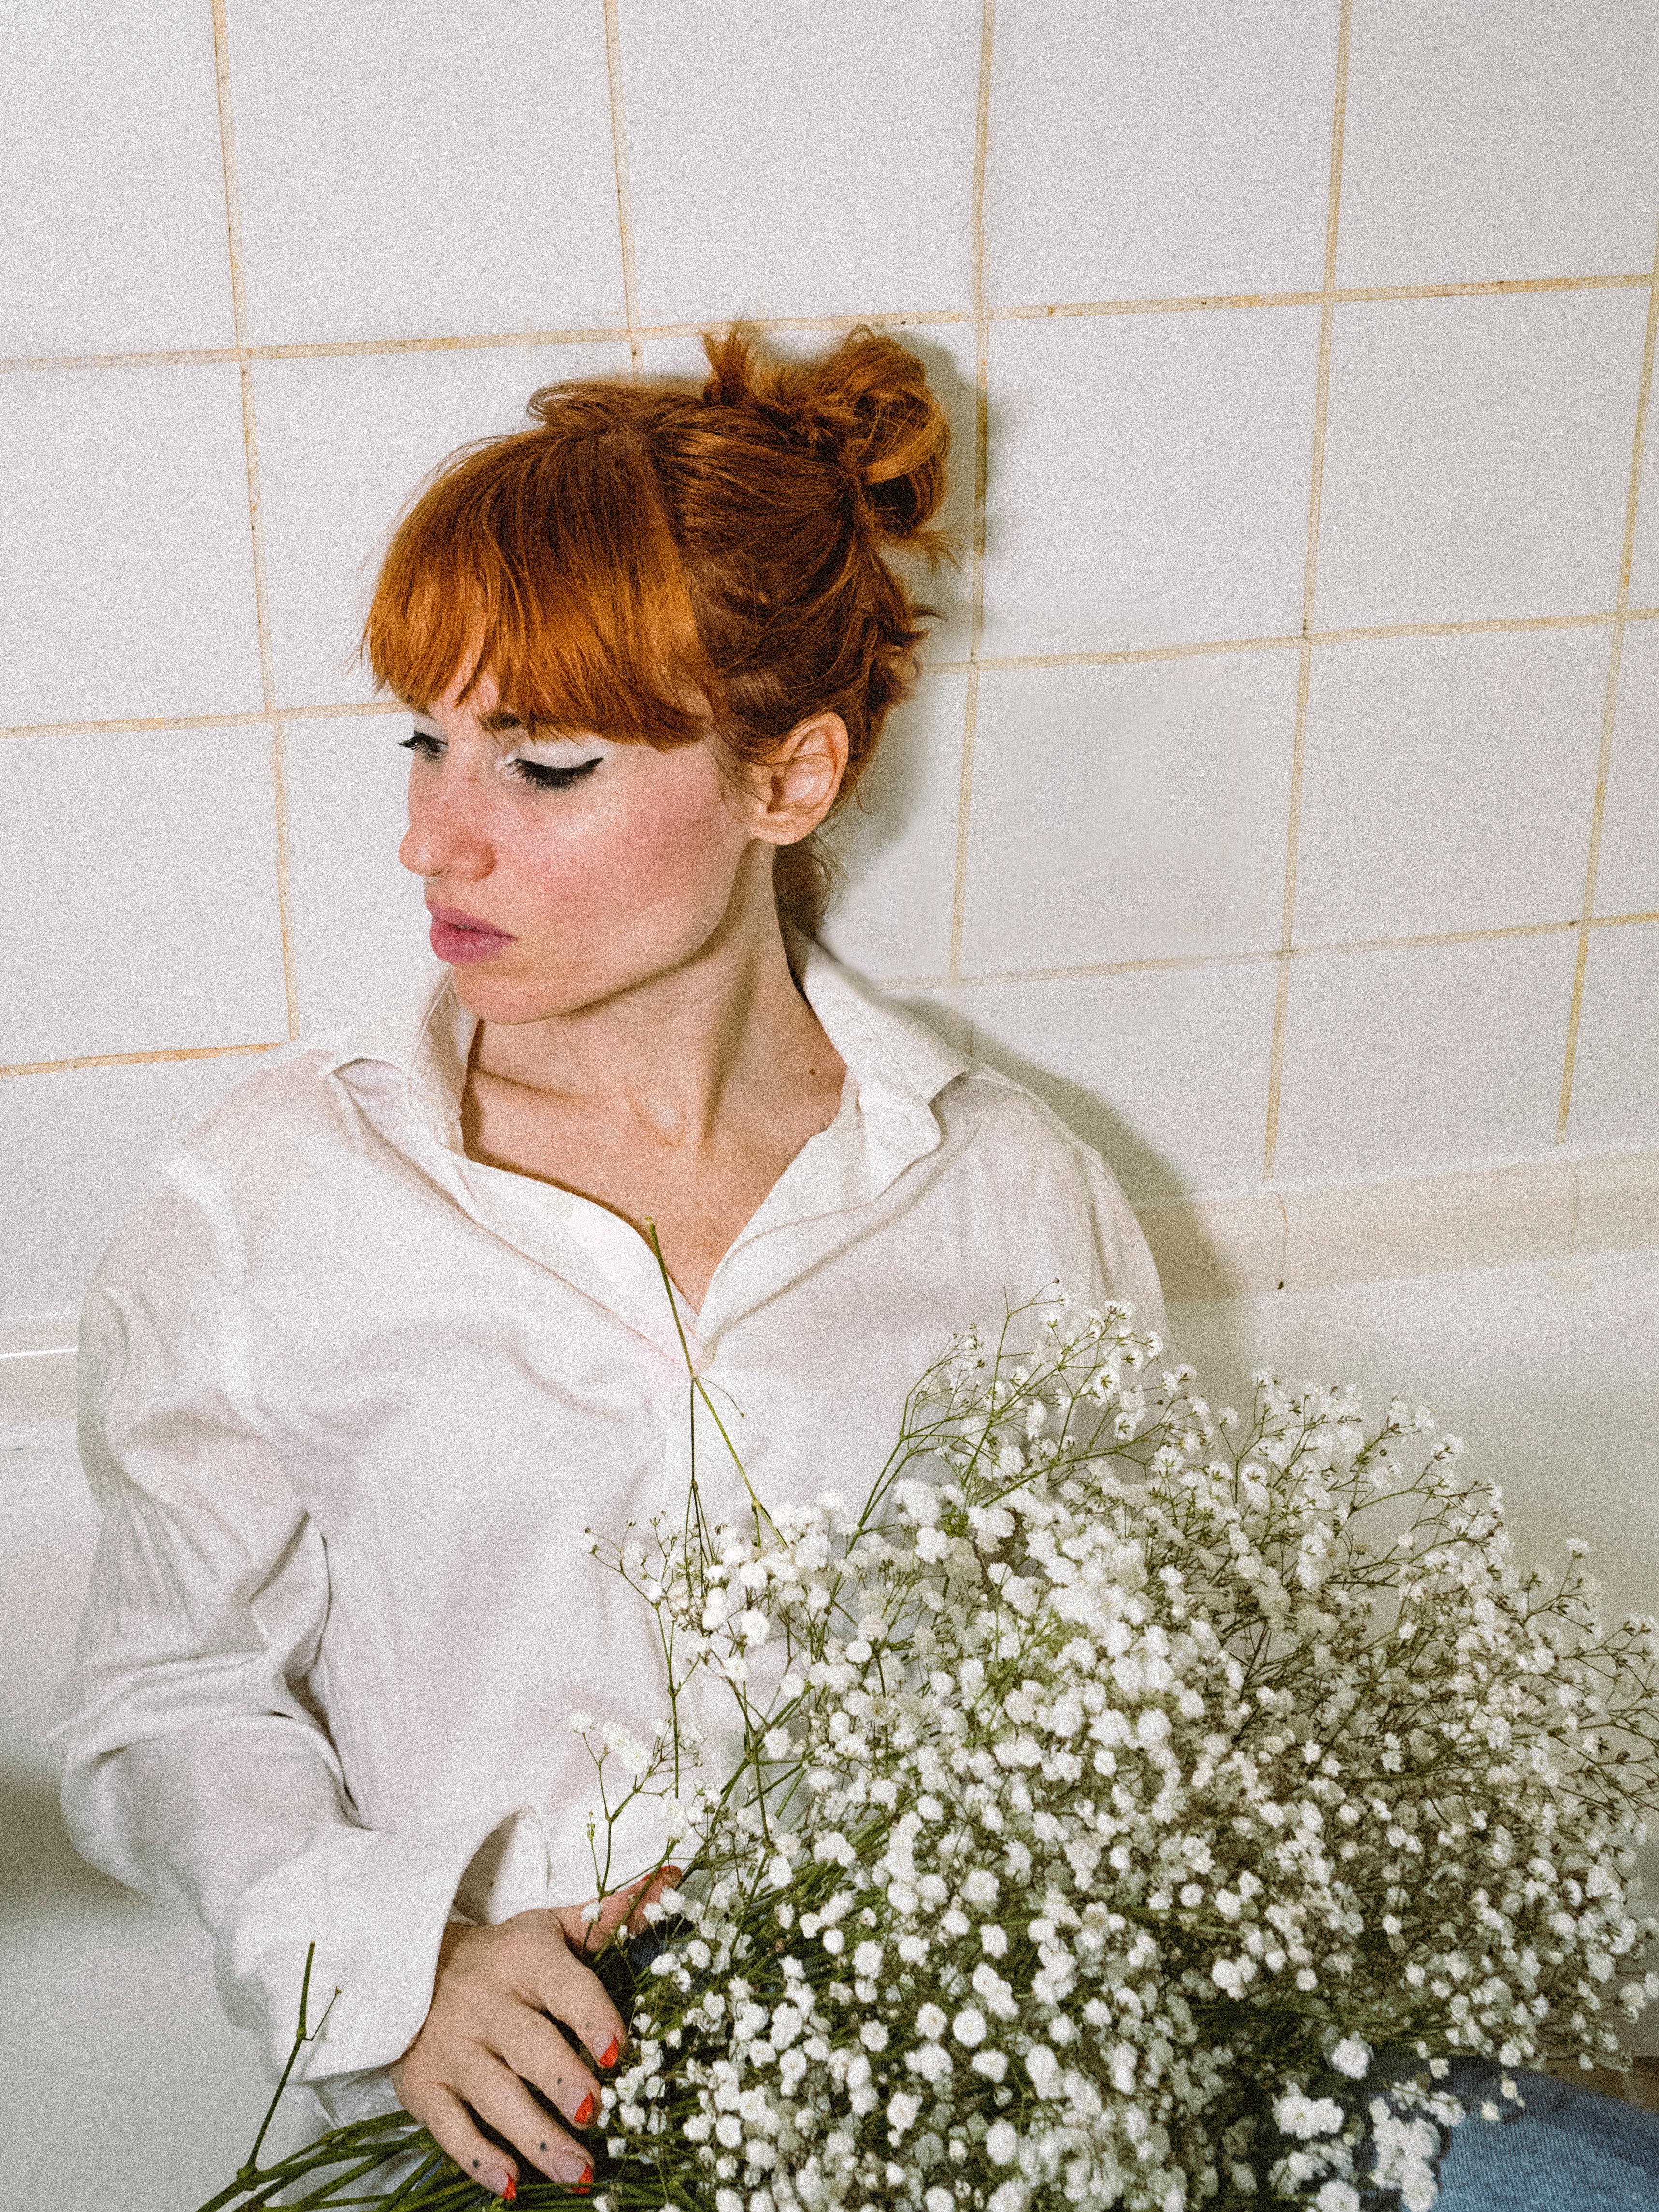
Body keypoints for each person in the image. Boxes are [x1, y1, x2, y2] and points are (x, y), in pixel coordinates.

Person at [56, 326, 1164, 2202]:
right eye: (427, 739)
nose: (431, 836)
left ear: (787, 778)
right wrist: (396, 1964)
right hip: (491, 2158)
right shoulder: (275, 1198)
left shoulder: (1003, 1193)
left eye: (543, 762)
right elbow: (159, 1700)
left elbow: (1111, 1686)